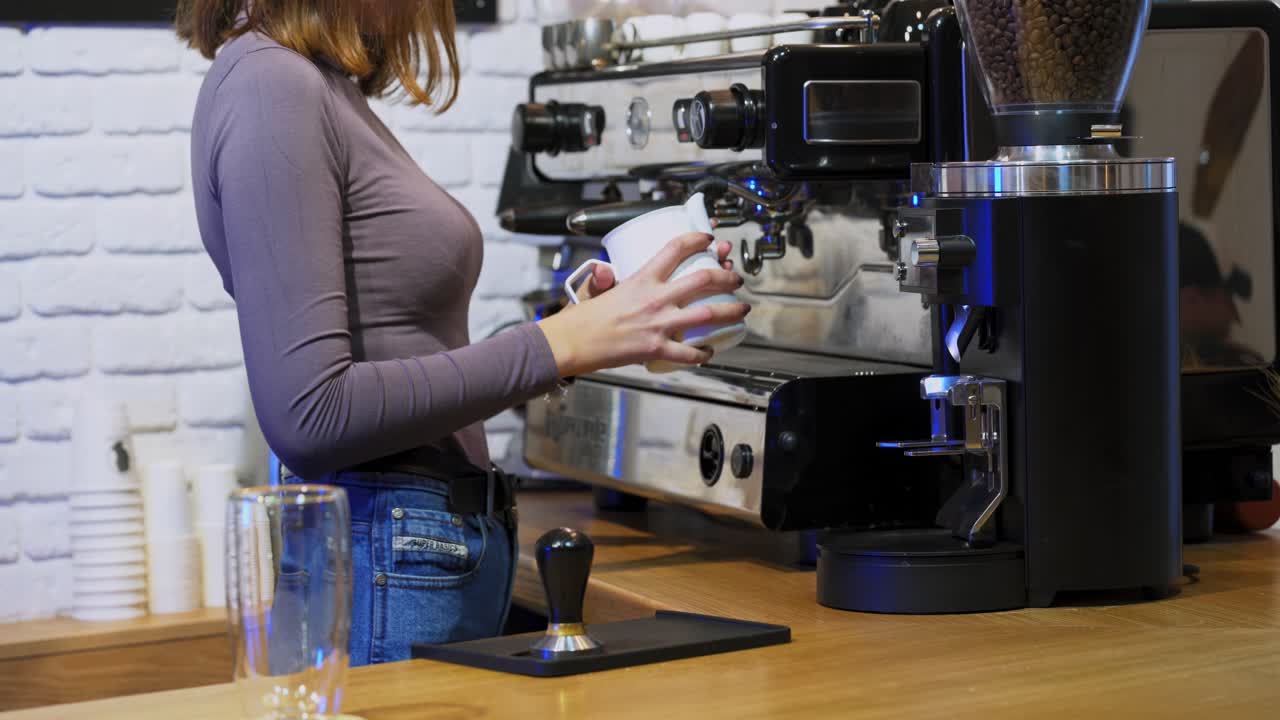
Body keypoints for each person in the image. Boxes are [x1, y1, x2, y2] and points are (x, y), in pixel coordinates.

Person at [177, 0, 749, 666]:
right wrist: (556, 346)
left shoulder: (306, 82)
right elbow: (310, 414)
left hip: (411, 551)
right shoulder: (271, 83)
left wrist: (575, 332)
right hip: (386, 556)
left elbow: (401, 349)